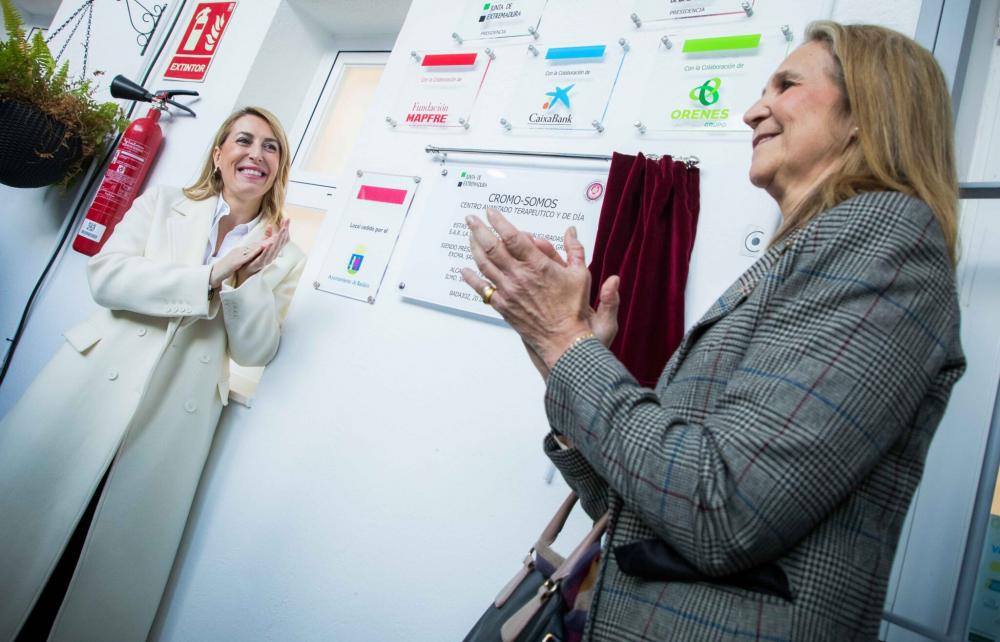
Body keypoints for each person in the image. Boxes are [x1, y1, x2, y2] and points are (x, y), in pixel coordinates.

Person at [462, 21, 966, 641]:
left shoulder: (885, 238)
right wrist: (564, 358)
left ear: (870, 111)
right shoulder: (806, 254)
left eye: (785, 85)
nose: (754, 110)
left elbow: (722, 510)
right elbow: (639, 514)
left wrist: (568, 345)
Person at [0, 106, 306, 642]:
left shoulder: (287, 256)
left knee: (97, 566)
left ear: (278, 169)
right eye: (243, 140)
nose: (256, 154)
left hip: (174, 417)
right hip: (92, 385)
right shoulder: (166, 203)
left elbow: (257, 350)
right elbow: (108, 276)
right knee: (25, 528)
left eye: (271, 147)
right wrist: (211, 274)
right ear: (218, 154)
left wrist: (246, 281)